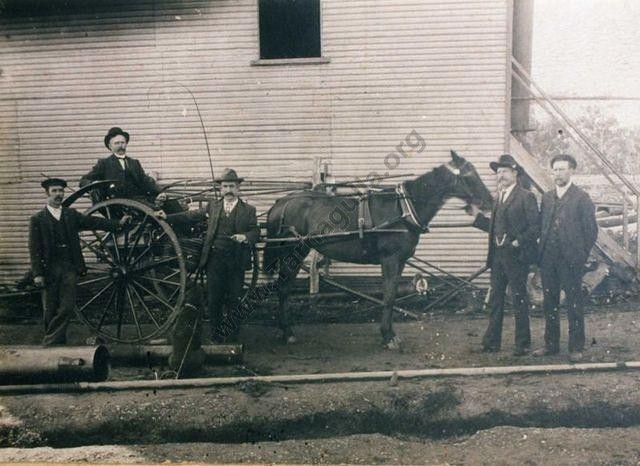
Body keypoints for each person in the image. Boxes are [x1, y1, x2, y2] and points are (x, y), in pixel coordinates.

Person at [157, 168, 259, 343]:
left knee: (234, 299)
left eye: (232, 186)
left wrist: (245, 237)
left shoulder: (249, 210)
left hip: (236, 261)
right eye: (225, 186)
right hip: (214, 260)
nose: (228, 190)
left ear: (238, 189)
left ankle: (233, 337)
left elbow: (255, 231)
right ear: (220, 188)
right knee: (214, 299)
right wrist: (167, 216)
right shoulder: (213, 206)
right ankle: (216, 336)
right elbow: (191, 216)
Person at [29, 178, 130, 346]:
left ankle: (48, 343)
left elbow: (94, 222)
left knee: (67, 307)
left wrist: (117, 224)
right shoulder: (38, 219)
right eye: (54, 191)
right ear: (46, 194)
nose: (58, 195)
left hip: (69, 266)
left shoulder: (70, 215)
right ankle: (57, 344)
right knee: (50, 309)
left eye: (61, 191)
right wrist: (37, 274)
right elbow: (34, 249)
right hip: (49, 269)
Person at [468, 154, 540, 356]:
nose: (501, 175)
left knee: (519, 300)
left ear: (515, 173)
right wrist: (477, 218)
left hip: (517, 258)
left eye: (505, 171)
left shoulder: (526, 197)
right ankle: (491, 343)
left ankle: (522, 344)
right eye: (498, 172)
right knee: (496, 301)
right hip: (498, 258)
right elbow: (495, 227)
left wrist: (517, 242)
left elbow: (535, 228)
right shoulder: (498, 197)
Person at [533, 154, 598, 362]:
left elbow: (591, 231)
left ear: (571, 171)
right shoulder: (547, 197)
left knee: (574, 303)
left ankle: (576, 347)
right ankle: (551, 345)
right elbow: (543, 226)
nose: (558, 173)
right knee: (549, 302)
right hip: (548, 260)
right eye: (555, 169)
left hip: (571, 260)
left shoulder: (581, 198)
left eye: (562, 169)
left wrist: (580, 255)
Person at [80, 127, 160, 202]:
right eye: (116, 143)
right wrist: (93, 186)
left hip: (138, 201)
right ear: (110, 146)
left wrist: (159, 192)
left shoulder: (134, 163)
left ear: (126, 144)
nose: (120, 146)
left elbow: (145, 182)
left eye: (122, 143)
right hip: (117, 203)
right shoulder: (104, 163)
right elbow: (84, 180)